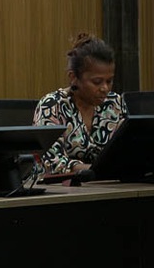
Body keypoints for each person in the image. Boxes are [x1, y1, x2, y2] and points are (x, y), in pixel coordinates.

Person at [32, 33, 128, 178]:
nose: (105, 88)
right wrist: (95, 170)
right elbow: (52, 162)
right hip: (59, 190)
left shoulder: (114, 103)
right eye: (97, 82)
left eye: (109, 81)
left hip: (107, 185)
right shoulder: (52, 105)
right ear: (74, 78)